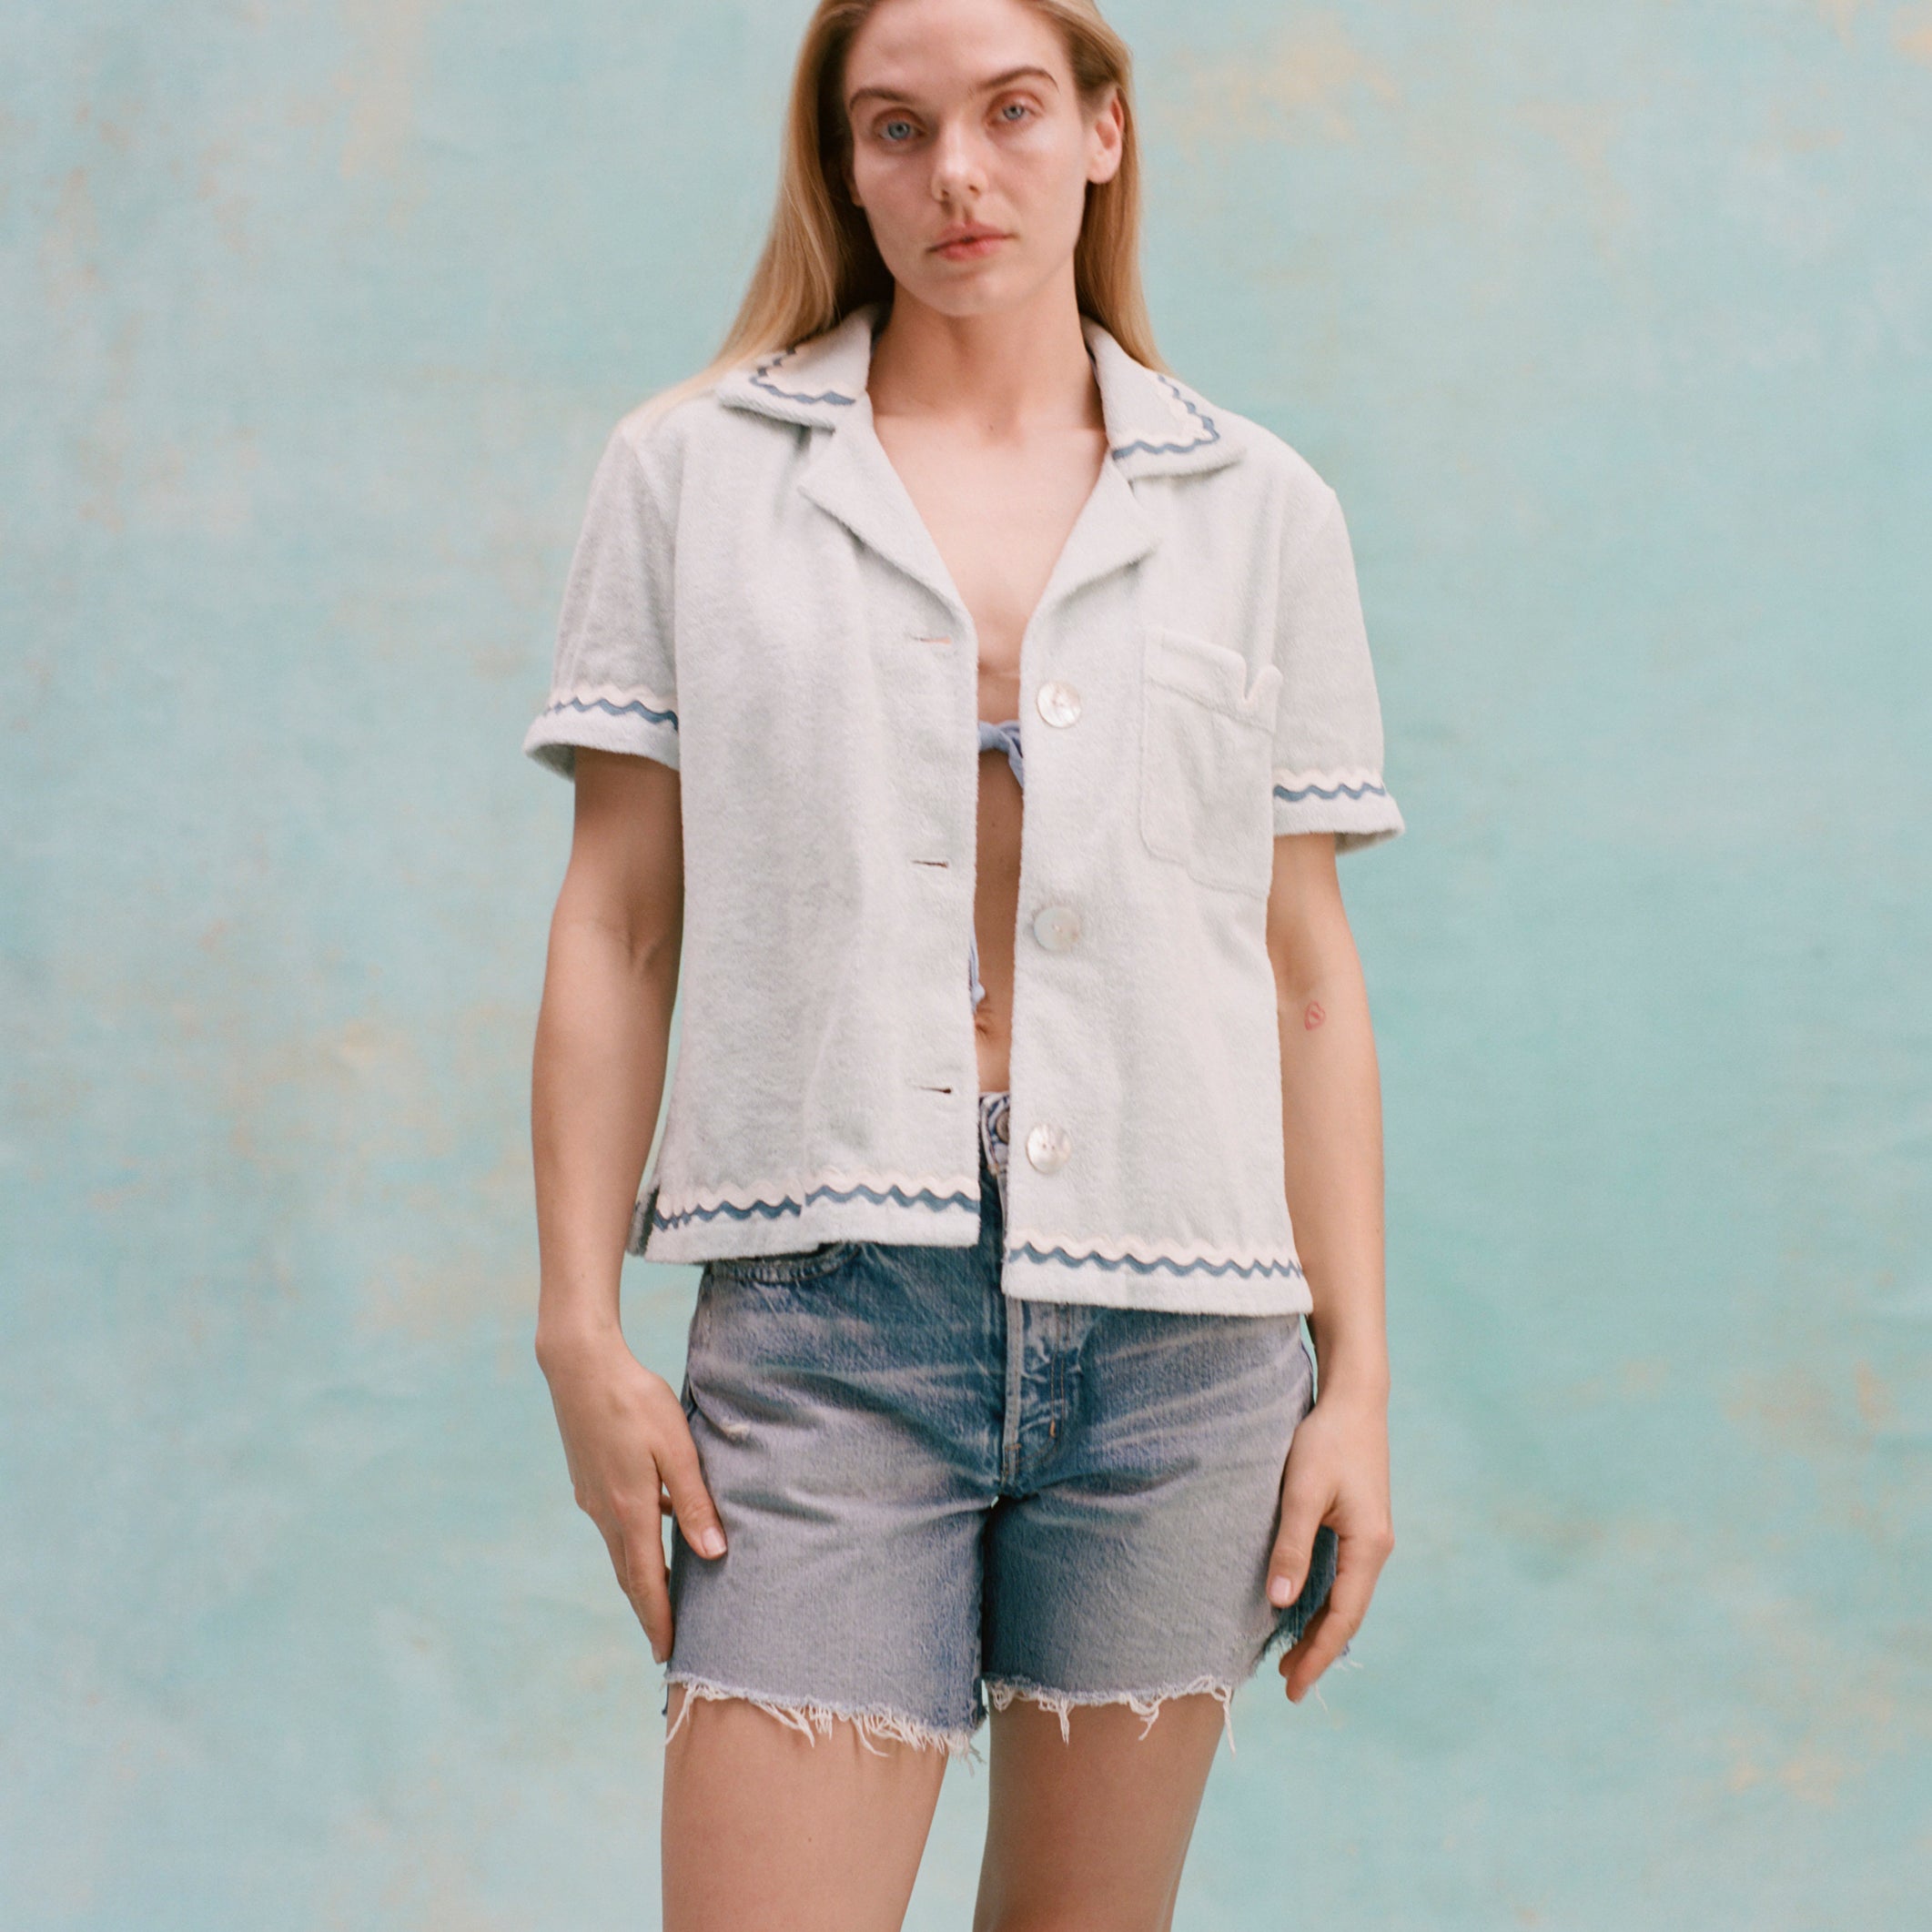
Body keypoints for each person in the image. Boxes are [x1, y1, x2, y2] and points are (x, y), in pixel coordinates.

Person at [524, 1, 1404, 1925]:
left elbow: (1306, 973)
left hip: (1183, 1341)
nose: (959, 177)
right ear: (845, 165)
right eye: (897, 128)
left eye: (1011, 112)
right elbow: (617, 920)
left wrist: (1357, 1385)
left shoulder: (1260, 508)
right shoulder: (691, 474)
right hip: (829, 1316)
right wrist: (579, 1327)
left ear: (1104, 130)